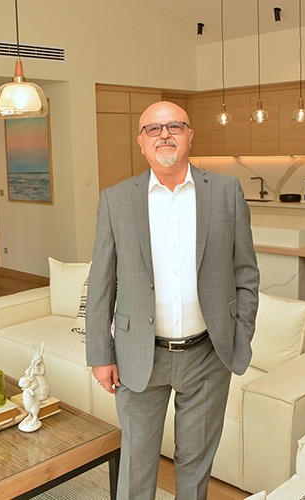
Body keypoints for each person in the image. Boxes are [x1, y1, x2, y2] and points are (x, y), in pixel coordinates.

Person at [85, 101, 260, 499]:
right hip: (137, 355)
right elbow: (101, 281)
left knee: (195, 469)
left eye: (175, 126)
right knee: (136, 466)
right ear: (141, 142)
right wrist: (99, 353)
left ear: (189, 136)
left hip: (208, 356)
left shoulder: (226, 192)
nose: (164, 134)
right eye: (153, 128)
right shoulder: (116, 199)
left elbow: (246, 272)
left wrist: (240, 335)